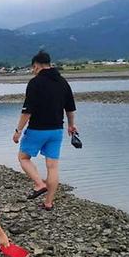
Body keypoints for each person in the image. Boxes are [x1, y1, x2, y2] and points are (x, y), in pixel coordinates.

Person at [12, 50, 77, 211]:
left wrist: (18, 130)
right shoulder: (63, 82)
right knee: (52, 166)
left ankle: (39, 184)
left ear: (37, 65)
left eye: (33, 67)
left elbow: (27, 110)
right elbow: (70, 108)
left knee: (23, 157)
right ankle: (48, 203)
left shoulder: (35, 83)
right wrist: (71, 125)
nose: (33, 71)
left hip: (37, 129)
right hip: (56, 130)